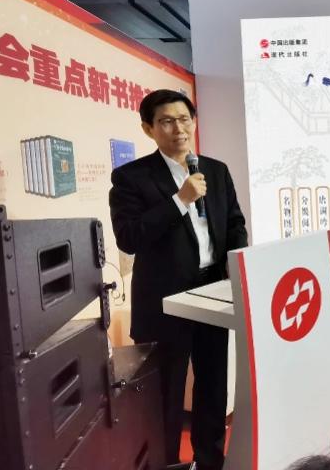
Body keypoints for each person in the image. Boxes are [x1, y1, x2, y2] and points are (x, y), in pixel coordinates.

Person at [109, 89, 248, 470]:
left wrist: (236, 264)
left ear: (194, 122)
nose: (178, 129)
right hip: (164, 301)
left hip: (213, 293)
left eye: (184, 119)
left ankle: (210, 461)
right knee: (165, 396)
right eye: (167, 122)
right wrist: (179, 200)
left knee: (213, 387)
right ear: (148, 128)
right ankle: (166, 463)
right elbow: (129, 238)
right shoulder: (130, 177)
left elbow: (234, 223)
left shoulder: (216, 170)